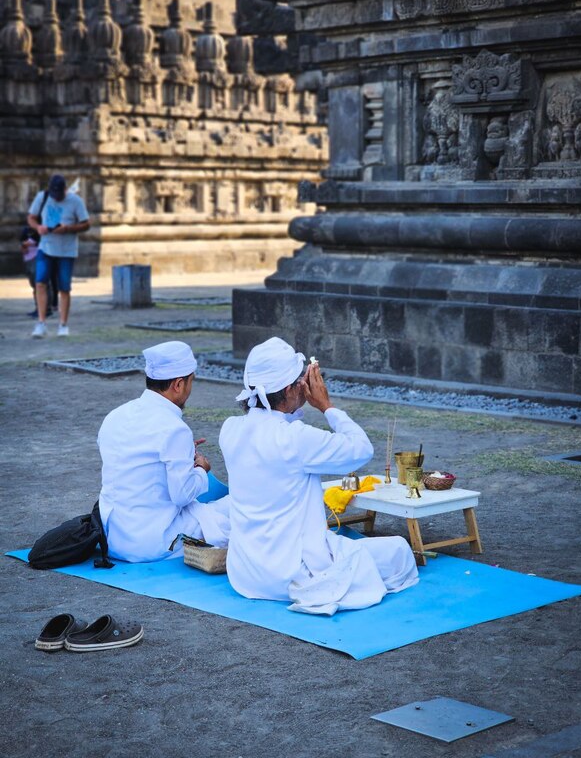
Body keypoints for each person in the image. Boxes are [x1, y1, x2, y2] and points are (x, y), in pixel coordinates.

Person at [219, 337, 419, 615]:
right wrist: (327, 406)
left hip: (245, 573)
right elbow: (362, 450)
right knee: (398, 550)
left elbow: (272, 427)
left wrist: (296, 400)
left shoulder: (230, 430)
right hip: (291, 573)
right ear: (289, 389)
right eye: (301, 380)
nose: (305, 385)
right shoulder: (296, 438)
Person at [98, 341, 230, 563]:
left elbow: (134, 463)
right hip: (152, 543)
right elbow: (182, 495)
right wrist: (200, 469)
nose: (190, 389)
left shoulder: (115, 415)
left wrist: (183, 454)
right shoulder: (174, 428)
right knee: (236, 506)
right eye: (191, 382)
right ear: (178, 384)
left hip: (112, 538)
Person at [28, 174, 90, 338]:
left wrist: (68, 228)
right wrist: (38, 227)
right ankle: (41, 323)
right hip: (46, 246)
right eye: (54, 194)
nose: (57, 197)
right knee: (40, 282)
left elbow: (86, 224)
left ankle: (63, 324)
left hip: (66, 250)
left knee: (64, 287)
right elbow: (31, 217)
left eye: (59, 194)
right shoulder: (43, 197)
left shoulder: (75, 201)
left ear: (65, 189)